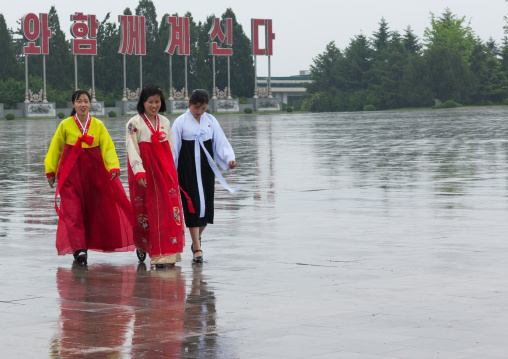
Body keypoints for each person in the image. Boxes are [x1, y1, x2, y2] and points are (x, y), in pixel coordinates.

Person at [45, 90, 134, 265]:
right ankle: (79, 250)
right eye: (79, 101)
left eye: (86, 101)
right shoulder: (65, 125)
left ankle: (91, 243)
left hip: (94, 175)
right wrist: (51, 171)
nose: (83, 104)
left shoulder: (98, 125)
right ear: (73, 104)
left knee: (97, 212)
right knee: (72, 212)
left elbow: (107, 147)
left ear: (90, 104)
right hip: (70, 174)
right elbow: (55, 148)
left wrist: (113, 166)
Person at [171, 89, 241, 263]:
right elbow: (173, 149)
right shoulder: (180, 122)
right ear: (189, 103)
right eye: (196, 107)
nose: (199, 111)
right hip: (187, 171)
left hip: (206, 170)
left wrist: (229, 159)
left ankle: (197, 238)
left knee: (206, 207)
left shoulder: (210, 120)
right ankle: (197, 247)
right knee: (193, 206)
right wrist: (171, 172)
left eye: (203, 108)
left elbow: (220, 142)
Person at [126, 84, 187, 268]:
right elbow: (132, 149)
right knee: (145, 209)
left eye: (157, 101)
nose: (154, 105)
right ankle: (144, 245)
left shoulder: (165, 122)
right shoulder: (133, 123)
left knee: (168, 208)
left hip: (164, 171)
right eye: (150, 101)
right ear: (143, 102)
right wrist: (139, 172)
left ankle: (168, 251)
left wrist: (173, 173)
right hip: (145, 172)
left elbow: (171, 148)